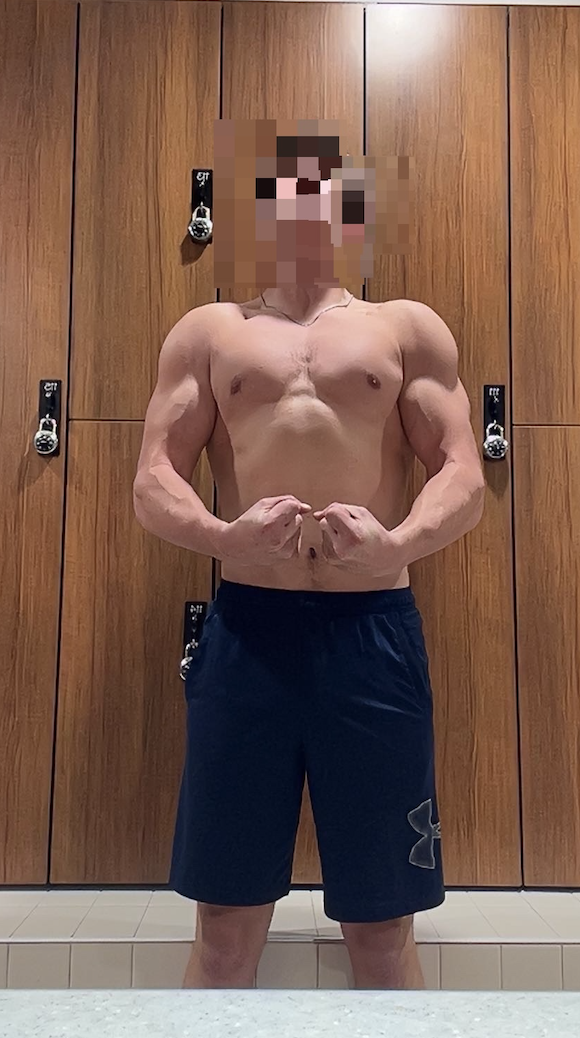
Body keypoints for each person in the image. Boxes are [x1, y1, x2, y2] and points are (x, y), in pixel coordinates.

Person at [132, 138, 486, 991]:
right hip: (248, 636)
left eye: (323, 193)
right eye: (284, 194)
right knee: (225, 928)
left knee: (382, 928)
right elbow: (152, 479)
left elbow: (463, 472)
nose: (304, 209)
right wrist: (223, 538)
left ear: (350, 214)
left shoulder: (404, 328)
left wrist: (398, 545)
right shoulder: (211, 332)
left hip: (372, 638)